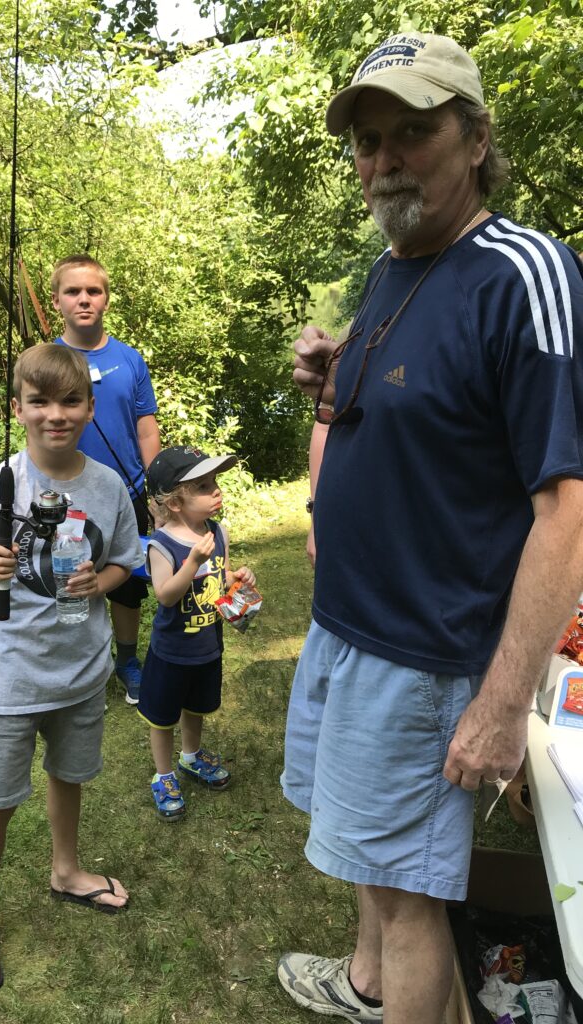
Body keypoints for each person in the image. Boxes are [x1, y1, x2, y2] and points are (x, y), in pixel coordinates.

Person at [277, 32, 583, 1024]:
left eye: (413, 132)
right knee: (369, 857)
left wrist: (500, 704)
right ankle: (367, 984)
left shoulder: (522, 271)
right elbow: (418, 415)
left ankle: (391, 983)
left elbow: (568, 507)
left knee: (410, 898)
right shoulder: (391, 268)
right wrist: (331, 380)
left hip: (422, 656)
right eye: (368, 140)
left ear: (477, 138)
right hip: (346, 626)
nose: (385, 160)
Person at [0, 345, 144, 993]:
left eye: (70, 401)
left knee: (69, 774)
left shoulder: (109, 487)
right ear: (18, 409)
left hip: (81, 669)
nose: (56, 414)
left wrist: (99, 582)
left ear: (90, 408)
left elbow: (124, 562)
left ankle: (66, 870)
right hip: (9, 675)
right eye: (40, 402)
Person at [51, 254, 161, 705]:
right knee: (69, 579)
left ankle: (127, 661)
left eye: (93, 291)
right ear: (57, 301)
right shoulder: (48, 362)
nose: (84, 299)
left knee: (127, 582)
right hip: (66, 495)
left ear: (106, 300)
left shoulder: (129, 359)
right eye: (73, 291)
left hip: (128, 491)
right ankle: (76, 666)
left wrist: (157, 491)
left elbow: (146, 429)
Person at [137, 446, 256, 820]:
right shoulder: (162, 544)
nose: (216, 490)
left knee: (196, 707)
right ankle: (164, 775)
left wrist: (237, 578)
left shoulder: (217, 532)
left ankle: (190, 757)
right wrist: (191, 563)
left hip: (207, 646)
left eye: (214, 481)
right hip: (171, 651)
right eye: (203, 486)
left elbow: (220, 576)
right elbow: (166, 595)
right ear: (175, 502)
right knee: (162, 717)